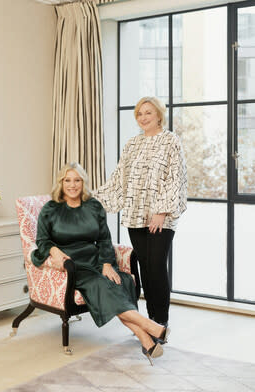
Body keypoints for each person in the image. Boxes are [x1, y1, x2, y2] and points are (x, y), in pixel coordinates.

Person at [31, 162, 169, 365]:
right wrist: (54, 250)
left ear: (83, 183)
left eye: (77, 180)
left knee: (117, 282)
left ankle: (147, 341)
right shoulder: (50, 209)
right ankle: (152, 328)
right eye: (67, 180)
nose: (72, 185)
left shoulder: (94, 206)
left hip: (95, 261)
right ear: (61, 183)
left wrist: (106, 263)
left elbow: (104, 239)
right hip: (73, 267)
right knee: (102, 286)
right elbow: (42, 241)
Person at [93, 96, 187, 330]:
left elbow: (176, 178)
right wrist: (91, 196)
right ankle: (150, 318)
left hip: (160, 217)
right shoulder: (132, 144)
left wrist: (162, 211)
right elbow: (119, 179)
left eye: (148, 113)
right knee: (145, 266)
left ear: (158, 115)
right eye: (139, 114)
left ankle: (161, 320)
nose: (143, 117)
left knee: (156, 266)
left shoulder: (170, 141)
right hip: (135, 215)